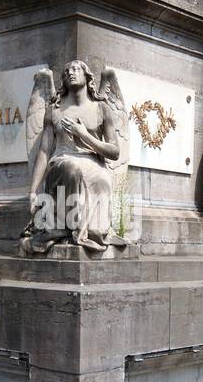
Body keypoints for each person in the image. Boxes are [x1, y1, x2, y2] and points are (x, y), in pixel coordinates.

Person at [23, 61, 126, 254]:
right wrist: (33, 191)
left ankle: (93, 231)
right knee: (72, 168)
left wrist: (84, 135)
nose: (71, 73)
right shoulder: (55, 108)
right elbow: (44, 150)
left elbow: (114, 152)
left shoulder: (101, 108)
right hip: (62, 160)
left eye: (76, 69)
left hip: (94, 162)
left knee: (103, 178)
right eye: (67, 71)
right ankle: (69, 229)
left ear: (88, 77)